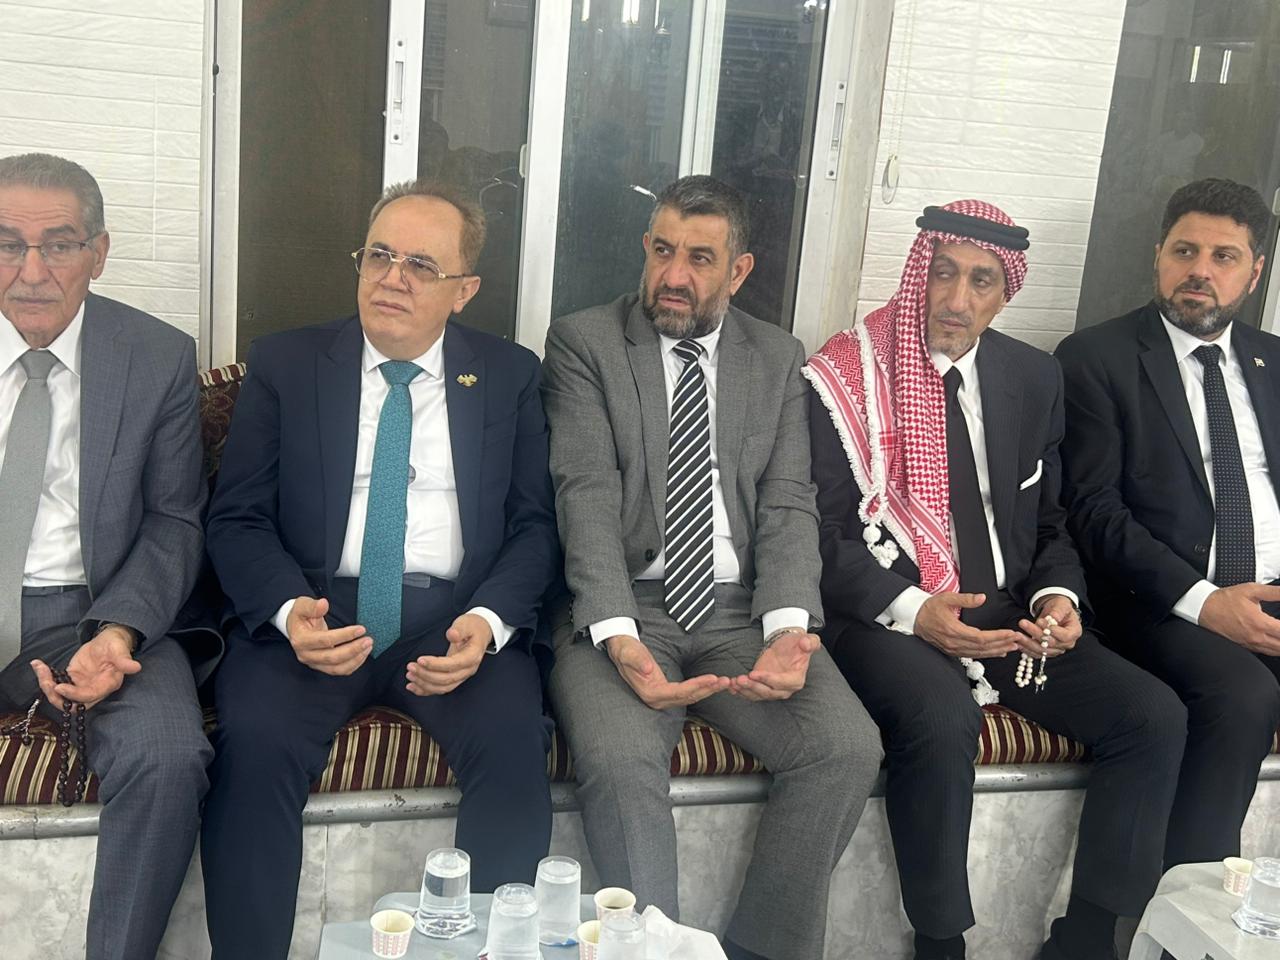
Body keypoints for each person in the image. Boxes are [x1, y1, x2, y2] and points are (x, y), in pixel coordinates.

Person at [806, 199, 1186, 960]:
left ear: (1005, 293)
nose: (956, 298)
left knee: (1153, 716)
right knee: (944, 718)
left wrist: (1058, 598)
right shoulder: (846, 376)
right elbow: (821, 535)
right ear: (919, 274)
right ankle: (940, 940)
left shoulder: (1031, 377)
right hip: (888, 614)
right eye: (943, 274)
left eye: (981, 281)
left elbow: (1049, 522)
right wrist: (915, 611)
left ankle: (1087, 937)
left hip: (1009, 613)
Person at [202, 180, 560, 959]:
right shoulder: (288, 364)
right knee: (254, 745)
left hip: (451, 622)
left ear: (464, 290)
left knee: (513, 747)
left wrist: (488, 623)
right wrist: (288, 611)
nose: (392, 279)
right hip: (316, 616)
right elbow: (237, 516)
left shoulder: (508, 375)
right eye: (379, 256)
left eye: (421, 266)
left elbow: (534, 526)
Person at [541, 175, 882, 960]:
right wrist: (617, 636)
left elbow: (788, 501)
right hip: (626, 604)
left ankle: (762, 948)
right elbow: (584, 494)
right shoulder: (586, 343)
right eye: (662, 250)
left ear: (738, 271)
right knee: (621, 760)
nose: (673, 275)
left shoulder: (775, 357)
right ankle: (654, 952)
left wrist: (789, 628)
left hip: (739, 609)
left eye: (699, 258)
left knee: (844, 746)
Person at [0, 152, 215, 959]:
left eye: (58, 244)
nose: (30, 271)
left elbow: (174, 521)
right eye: (6, 243)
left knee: (168, 755)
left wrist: (120, 630)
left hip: (91, 611)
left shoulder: (155, 356)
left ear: (98, 252)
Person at [1056, 178, 1280, 869]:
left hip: (1270, 591)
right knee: (1242, 695)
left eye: (1223, 256)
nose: (1199, 271)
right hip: (1159, 602)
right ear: (1158, 255)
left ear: (1254, 272)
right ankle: (1190, 903)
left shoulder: (1276, 365)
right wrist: (1207, 602)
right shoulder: (1096, 358)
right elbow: (1093, 510)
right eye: (1185, 251)